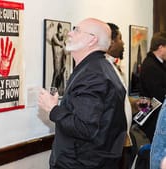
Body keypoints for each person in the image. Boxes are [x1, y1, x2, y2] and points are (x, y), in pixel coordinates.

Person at [38, 18, 127, 169]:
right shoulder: (99, 68)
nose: (70, 34)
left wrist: (53, 109)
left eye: (77, 30)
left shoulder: (93, 75)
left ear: (92, 40)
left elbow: (84, 127)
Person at [106, 22, 135, 169]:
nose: (123, 43)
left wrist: (133, 104)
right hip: (113, 144)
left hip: (122, 141)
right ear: (110, 42)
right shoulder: (103, 69)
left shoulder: (113, 66)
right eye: (120, 38)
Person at [139, 31, 166, 142]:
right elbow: (158, 94)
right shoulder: (150, 66)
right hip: (154, 119)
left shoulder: (159, 63)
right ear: (161, 47)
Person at [50, 22, 68, 95]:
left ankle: (60, 92)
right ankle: (53, 92)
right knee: (56, 73)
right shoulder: (54, 37)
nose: (61, 33)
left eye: (61, 32)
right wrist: (64, 37)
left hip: (62, 59)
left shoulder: (62, 38)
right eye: (59, 31)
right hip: (57, 59)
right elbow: (59, 43)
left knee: (61, 73)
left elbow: (66, 51)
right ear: (58, 30)